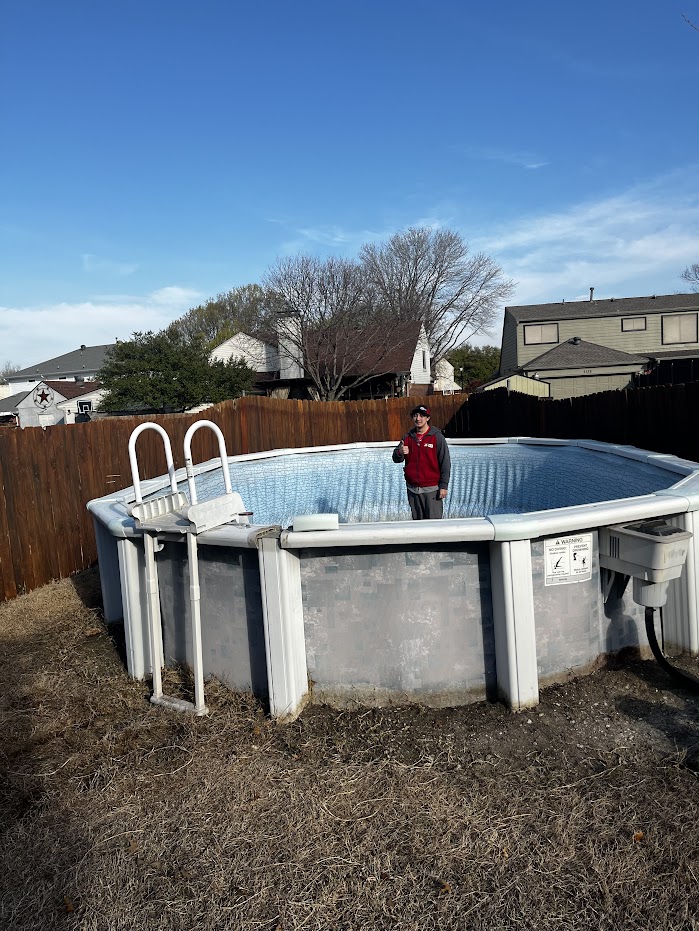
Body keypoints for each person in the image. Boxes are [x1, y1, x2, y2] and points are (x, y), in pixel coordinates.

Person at [392, 405, 451, 519]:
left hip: (432, 490)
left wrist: (444, 486)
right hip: (413, 490)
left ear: (428, 418)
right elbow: (395, 458)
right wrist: (400, 452)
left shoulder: (437, 437)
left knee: (434, 526)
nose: (418, 419)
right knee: (418, 526)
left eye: (422, 416)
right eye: (415, 415)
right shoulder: (407, 437)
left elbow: (445, 463)